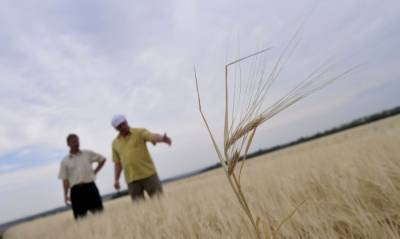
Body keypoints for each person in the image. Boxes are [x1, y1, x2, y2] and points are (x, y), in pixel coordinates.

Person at [111, 114, 172, 201]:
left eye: (123, 123)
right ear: (116, 129)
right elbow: (118, 163)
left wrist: (162, 138)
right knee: (139, 209)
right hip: (131, 180)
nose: (123, 126)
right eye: (119, 126)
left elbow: (151, 136)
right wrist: (116, 179)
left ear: (126, 121)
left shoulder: (139, 132)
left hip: (149, 175)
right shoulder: (115, 143)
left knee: (160, 202)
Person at [58, 133, 106, 219]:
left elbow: (102, 159)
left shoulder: (87, 153)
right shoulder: (64, 161)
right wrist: (65, 195)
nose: (76, 143)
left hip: (90, 188)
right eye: (73, 142)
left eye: (77, 141)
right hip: (76, 192)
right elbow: (65, 180)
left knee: (100, 215)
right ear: (68, 144)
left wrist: (95, 171)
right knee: (80, 220)